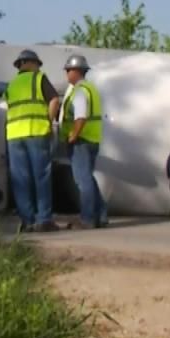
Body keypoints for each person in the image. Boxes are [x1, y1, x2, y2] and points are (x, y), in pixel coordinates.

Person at [0, 49, 60, 233]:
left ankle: (28, 221)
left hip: (14, 136)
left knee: (20, 180)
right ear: (32, 63)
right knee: (41, 177)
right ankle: (44, 220)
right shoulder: (39, 78)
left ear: (19, 65)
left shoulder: (10, 85)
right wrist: (49, 121)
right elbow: (55, 101)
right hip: (36, 132)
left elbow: (2, 108)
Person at [59, 54, 109, 229]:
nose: (66, 74)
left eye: (68, 70)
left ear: (76, 71)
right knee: (89, 179)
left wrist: (73, 135)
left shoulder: (79, 91)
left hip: (81, 140)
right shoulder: (90, 88)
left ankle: (87, 219)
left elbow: (80, 117)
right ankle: (101, 215)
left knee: (83, 181)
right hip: (92, 139)